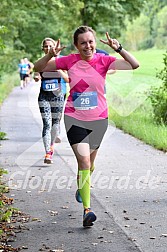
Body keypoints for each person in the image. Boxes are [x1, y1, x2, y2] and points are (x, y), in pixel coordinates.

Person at [34, 26, 139, 227]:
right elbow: (37, 68)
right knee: (83, 163)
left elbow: (134, 64)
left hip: (99, 120)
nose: (87, 46)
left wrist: (119, 48)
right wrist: (50, 55)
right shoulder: (69, 60)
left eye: (90, 41)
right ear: (76, 45)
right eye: (83, 42)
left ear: (94, 43)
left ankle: (82, 187)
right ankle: (87, 211)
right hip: (75, 118)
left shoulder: (104, 60)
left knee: (89, 165)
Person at [34, 37, 69, 164]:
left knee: (55, 123)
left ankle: (52, 145)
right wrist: (37, 76)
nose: (48, 48)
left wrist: (59, 68)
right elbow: (36, 72)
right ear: (43, 48)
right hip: (44, 97)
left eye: (50, 46)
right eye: (46, 46)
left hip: (58, 97)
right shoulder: (41, 62)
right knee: (46, 124)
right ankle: (48, 152)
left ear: (55, 47)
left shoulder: (61, 61)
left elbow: (67, 79)